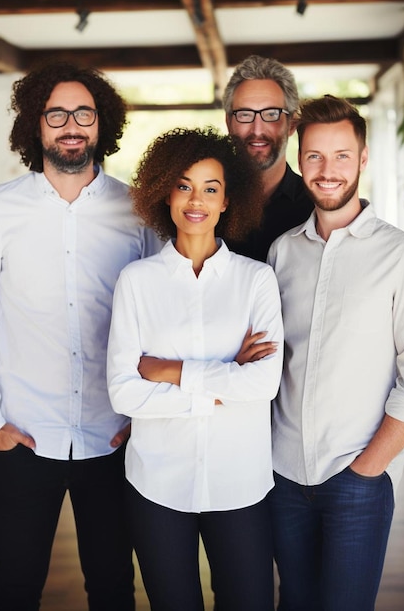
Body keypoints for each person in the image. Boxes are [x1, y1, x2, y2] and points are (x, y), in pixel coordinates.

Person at [0, 60, 161, 611]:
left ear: (101, 122)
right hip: (22, 437)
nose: (71, 124)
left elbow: (163, 321)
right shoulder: (0, 210)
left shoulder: (140, 212)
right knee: (12, 589)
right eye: (57, 113)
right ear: (35, 126)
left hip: (113, 438)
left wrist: (144, 415)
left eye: (84, 113)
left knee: (114, 589)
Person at [107, 127, 284, 611]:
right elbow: (124, 393)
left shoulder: (257, 280)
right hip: (157, 484)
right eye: (184, 185)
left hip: (240, 483)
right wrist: (225, 381)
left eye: (210, 188)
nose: (196, 200)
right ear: (165, 191)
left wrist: (167, 371)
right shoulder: (136, 282)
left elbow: (264, 383)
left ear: (228, 201)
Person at [267, 95, 404, 611]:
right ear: (298, 159)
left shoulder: (400, 255)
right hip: (282, 476)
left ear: (364, 159)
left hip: (357, 477)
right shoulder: (282, 252)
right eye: (314, 156)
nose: (327, 171)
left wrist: (368, 468)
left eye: (342, 156)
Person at [223, 54, 313, 261]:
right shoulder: (203, 201)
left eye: (272, 114)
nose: (257, 129)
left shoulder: (316, 207)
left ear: (291, 124)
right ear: (229, 122)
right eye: (245, 114)